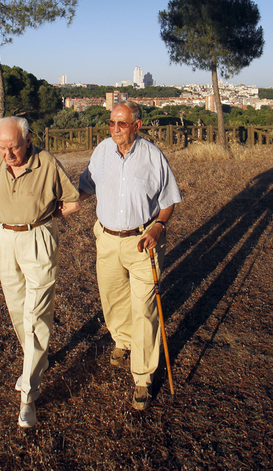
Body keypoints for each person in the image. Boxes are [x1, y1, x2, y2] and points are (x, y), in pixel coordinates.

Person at [0, 116, 80, 428]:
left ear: (28, 140)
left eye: (13, 147)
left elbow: (73, 202)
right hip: (5, 239)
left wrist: (54, 213)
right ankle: (36, 359)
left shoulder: (46, 162)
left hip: (38, 238)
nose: (7, 154)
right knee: (18, 310)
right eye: (2, 147)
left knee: (35, 314)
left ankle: (28, 396)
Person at [79, 101, 181, 410]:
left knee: (144, 308)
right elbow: (85, 188)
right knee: (112, 299)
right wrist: (65, 205)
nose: (114, 129)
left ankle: (142, 377)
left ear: (137, 126)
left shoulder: (153, 157)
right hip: (107, 240)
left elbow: (169, 200)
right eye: (111, 123)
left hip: (142, 243)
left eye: (121, 124)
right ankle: (122, 340)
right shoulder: (101, 152)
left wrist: (158, 227)